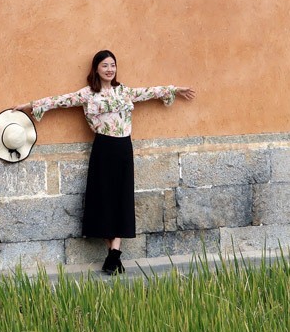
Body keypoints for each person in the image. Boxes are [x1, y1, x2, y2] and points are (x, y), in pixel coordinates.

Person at [14, 49, 195, 275]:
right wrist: (29, 105)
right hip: (103, 148)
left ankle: (114, 254)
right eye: (105, 65)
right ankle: (113, 257)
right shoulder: (88, 94)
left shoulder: (124, 91)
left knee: (121, 198)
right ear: (96, 69)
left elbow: (149, 92)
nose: (110, 69)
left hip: (124, 148)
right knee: (103, 200)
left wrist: (175, 90)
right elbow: (60, 100)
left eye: (113, 65)